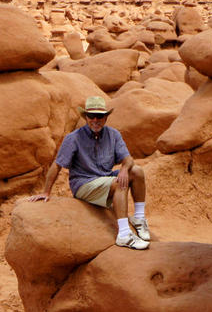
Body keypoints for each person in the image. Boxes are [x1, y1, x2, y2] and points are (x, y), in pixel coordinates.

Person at [29, 96, 151, 250]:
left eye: (99, 116)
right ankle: (124, 234)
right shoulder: (73, 138)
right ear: (85, 117)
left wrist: (125, 169)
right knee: (119, 183)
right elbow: (57, 165)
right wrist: (46, 192)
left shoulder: (113, 135)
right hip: (83, 184)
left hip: (105, 178)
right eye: (91, 116)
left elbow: (128, 159)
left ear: (106, 117)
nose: (95, 120)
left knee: (137, 171)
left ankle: (139, 219)